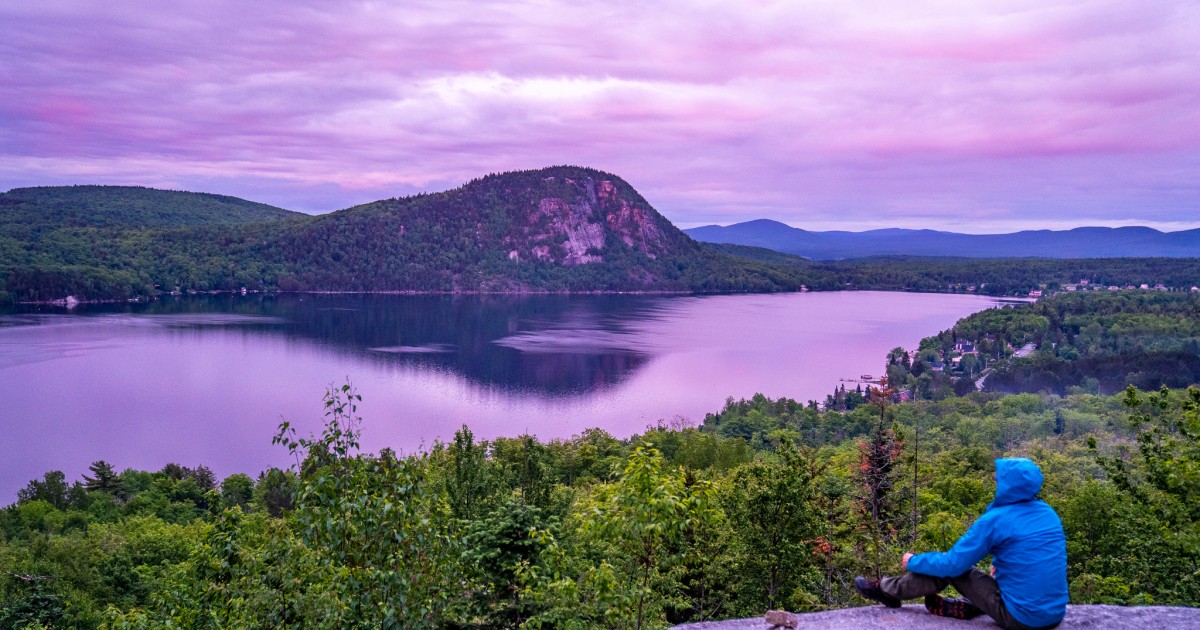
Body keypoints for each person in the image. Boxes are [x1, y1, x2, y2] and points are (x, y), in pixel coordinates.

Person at [854, 457, 1068, 629]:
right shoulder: (1048, 513)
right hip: (1055, 615)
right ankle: (973, 605)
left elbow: (953, 564)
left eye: (998, 479)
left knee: (953, 569)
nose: (995, 482)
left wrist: (913, 561)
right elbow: (1032, 553)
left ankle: (888, 591)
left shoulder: (995, 520)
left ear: (1008, 486)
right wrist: (1001, 566)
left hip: (1021, 620)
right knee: (962, 568)